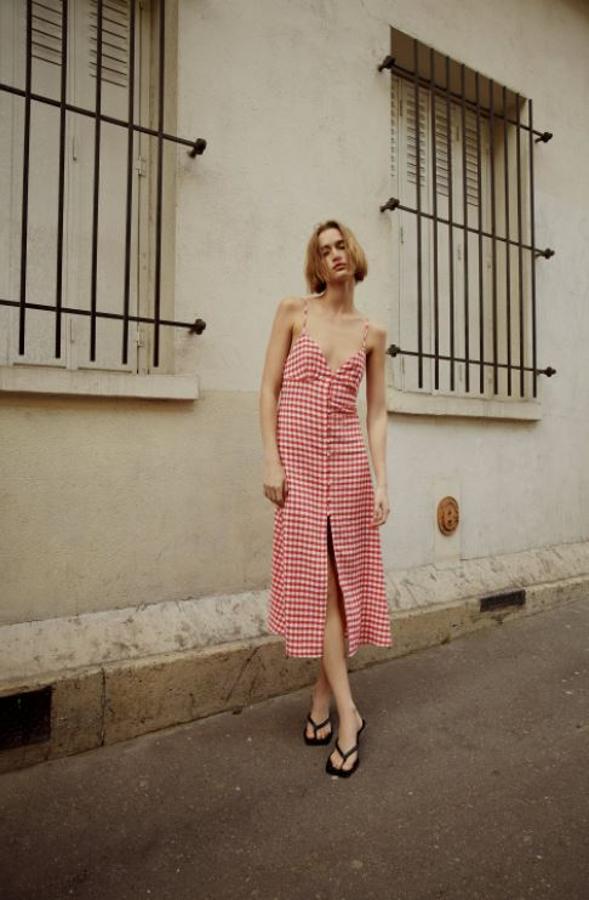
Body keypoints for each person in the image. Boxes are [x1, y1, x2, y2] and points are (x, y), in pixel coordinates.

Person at [259, 219, 393, 778]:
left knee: (340, 588)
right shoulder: (294, 311)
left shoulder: (373, 333)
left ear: (354, 254)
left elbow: (377, 412)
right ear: (316, 264)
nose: (335, 255)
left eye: (341, 246)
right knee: (323, 587)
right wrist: (271, 459)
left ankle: (330, 708)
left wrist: (382, 480)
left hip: (347, 469)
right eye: (324, 250)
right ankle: (347, 710)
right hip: (301, 470)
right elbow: (267, 389)